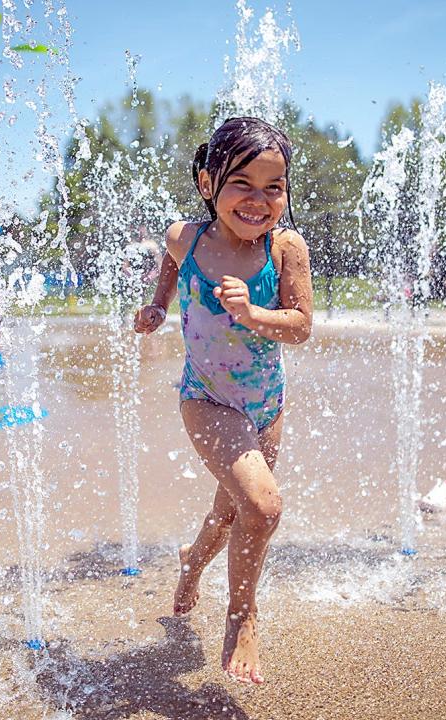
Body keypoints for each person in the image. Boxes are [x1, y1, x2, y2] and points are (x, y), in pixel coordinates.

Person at [134, 117, 313, 684]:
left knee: (232, 511)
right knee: (263, 507)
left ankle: (191, 563)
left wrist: (253, 313)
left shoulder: (286, 250)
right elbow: (169, 262)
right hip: (207, 397)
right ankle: (243, 616)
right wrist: (159, 305)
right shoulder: (186, 238)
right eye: (243, 183)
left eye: (274, 187)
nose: (258, 201)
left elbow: (301, 326)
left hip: (266, 404)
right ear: (209, 183)